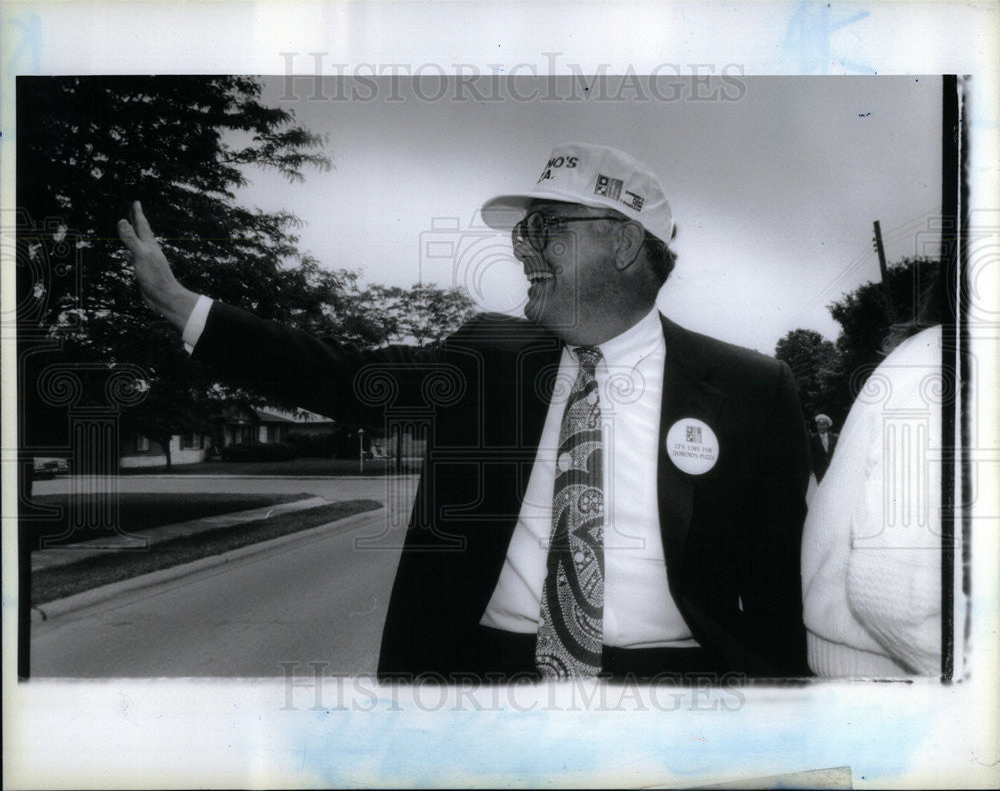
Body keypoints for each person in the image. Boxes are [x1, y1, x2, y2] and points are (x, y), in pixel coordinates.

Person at [118, 143, 811, 681]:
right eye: (521, 232)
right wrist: (190, 309)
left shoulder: (752, 389)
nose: (521, 248)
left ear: (624, 243)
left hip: (678, 702)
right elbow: (348, 377)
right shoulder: (490, 357)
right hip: (488, 686)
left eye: (545, 227)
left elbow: (780, 599)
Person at [802, 317, 944, 676]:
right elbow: (898, 596)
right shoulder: (945, 360)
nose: (822, 427)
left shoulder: (925, 355)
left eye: (823, 424)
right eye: (818, 425)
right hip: (889, 668)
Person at [809, 413, 839, 483]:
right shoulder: (813, 439)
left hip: (833, 468)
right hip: (819, 470)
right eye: (818, 424)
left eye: (822, 425)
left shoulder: (834, 438)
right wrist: (811, 469)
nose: (820, 427)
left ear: (827, 426)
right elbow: (811, 454)